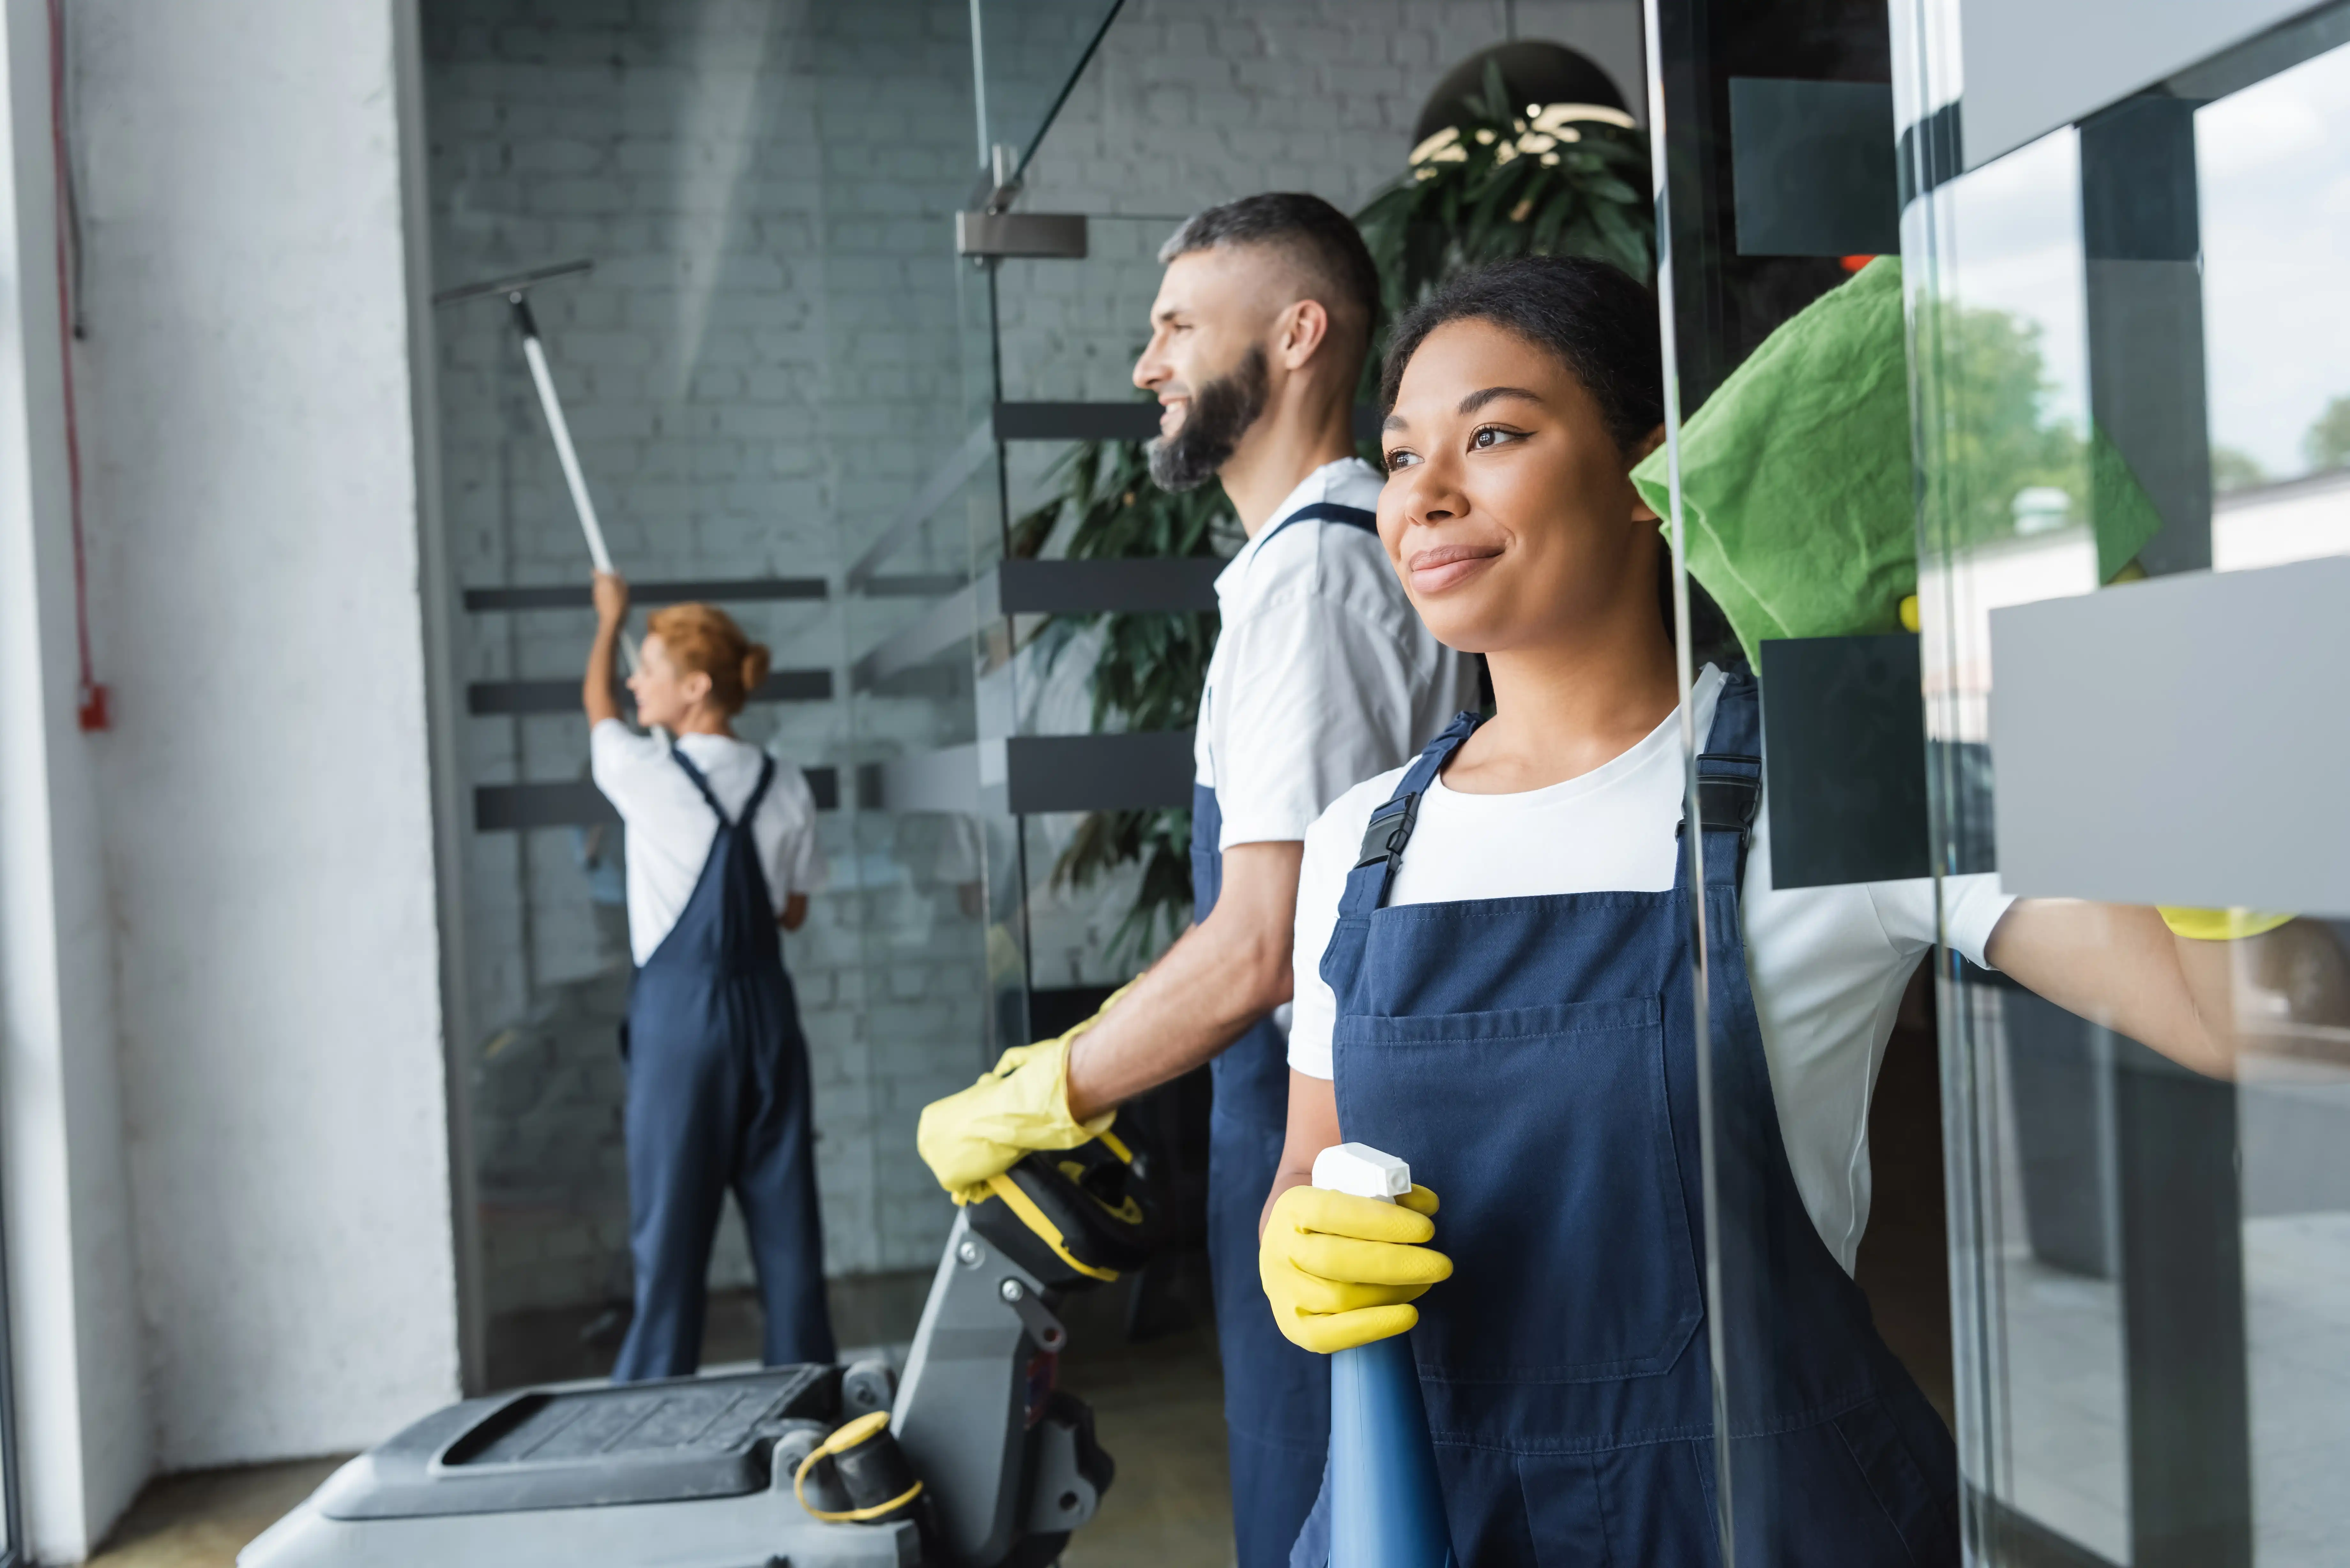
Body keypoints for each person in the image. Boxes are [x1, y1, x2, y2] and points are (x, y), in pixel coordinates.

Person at [1256, 256, 2349, 1564]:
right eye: (1396, 456)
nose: (1424, 496)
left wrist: (2127, 674)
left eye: (1493, 435)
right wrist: (1290, 1241)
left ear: (1646, 474)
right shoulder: (1362, 838)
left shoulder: (1835, 773)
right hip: (1432, 1522)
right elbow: (1309, 1157)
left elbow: (2240, 1019)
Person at [916, 193, 1479, 1566]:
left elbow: (1266, 947)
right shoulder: (1303, 572)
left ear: (1295, 335)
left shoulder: (1317, 590)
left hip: (1335, 1148)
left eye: (1176, 323)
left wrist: (1049, 1087)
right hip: (1300, 1125)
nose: (1145, 364)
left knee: (1319, 1516)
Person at [585, 572, 836, 1379]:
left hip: (679, 1026)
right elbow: (792, 911)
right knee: (787, 1225)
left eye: (648, 666)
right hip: (767, 1015)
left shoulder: (646, 776)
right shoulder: (785, 781)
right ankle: (811, 1401)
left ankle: (654, 1401)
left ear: (694, 688)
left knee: (670, 1234)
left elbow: (597, 710)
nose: (632, 678)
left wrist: (606, 620)